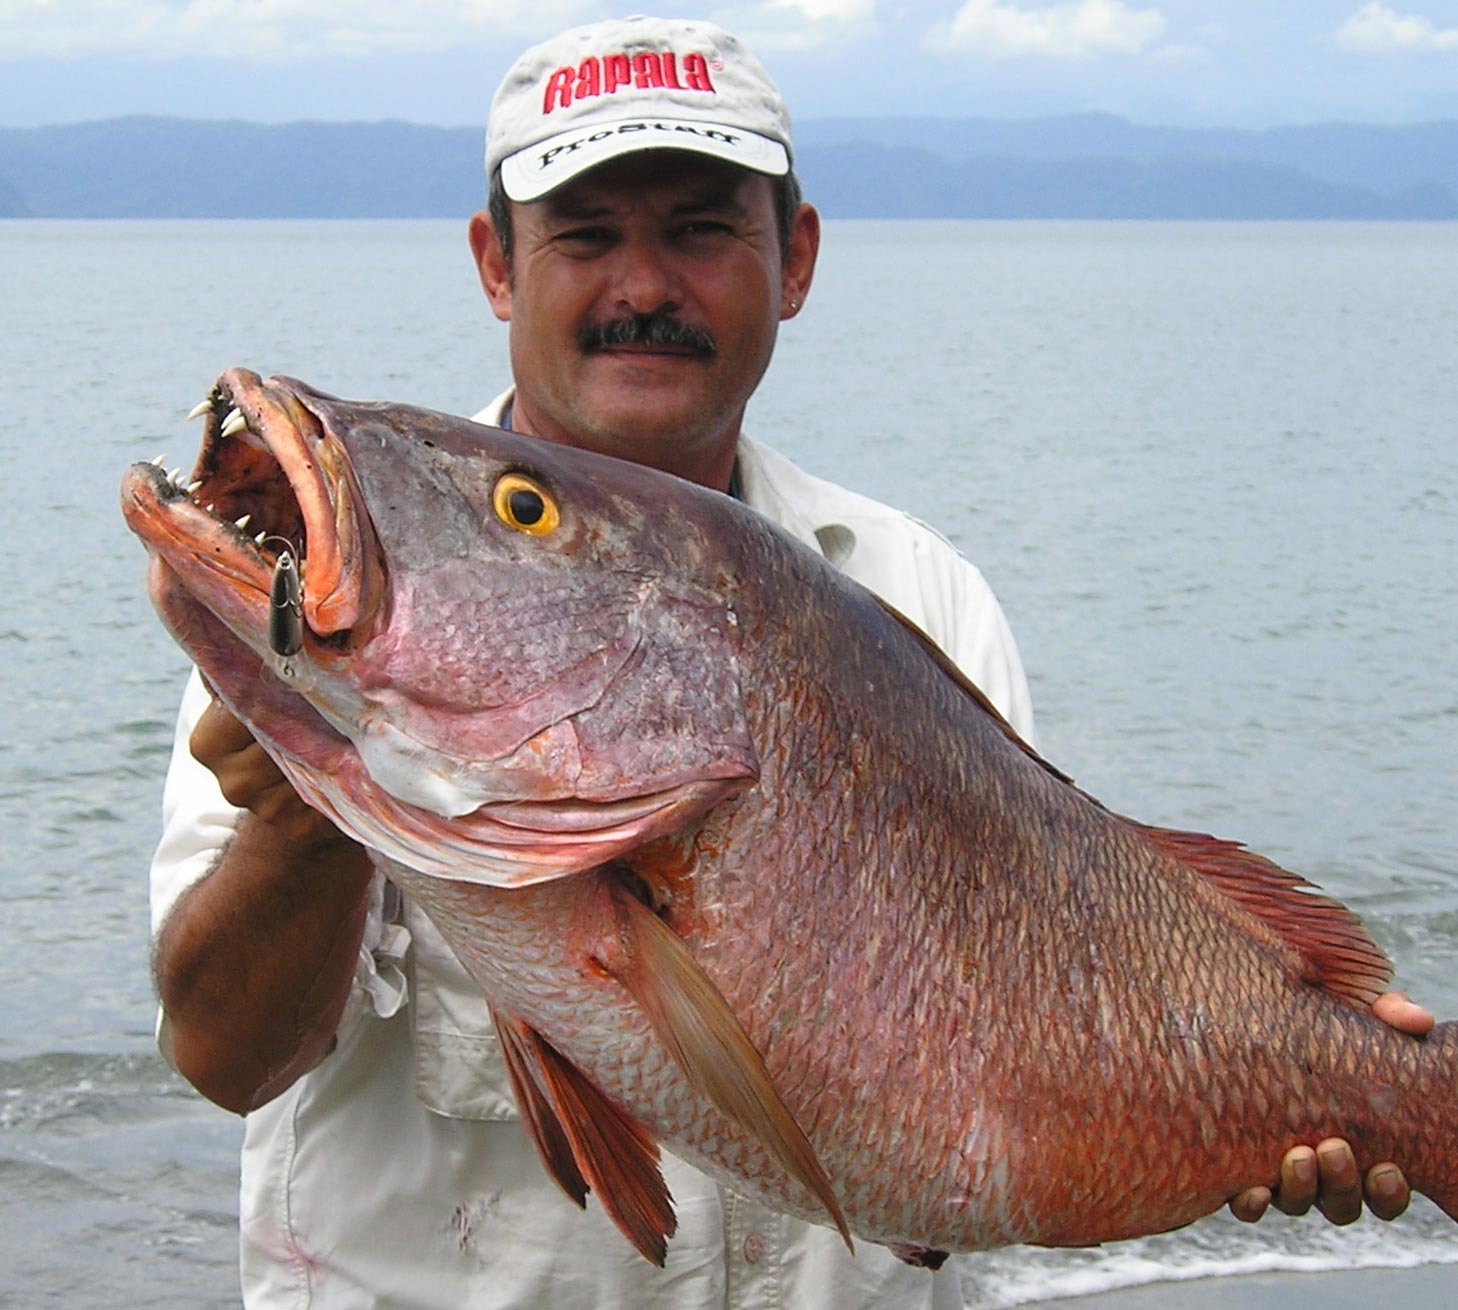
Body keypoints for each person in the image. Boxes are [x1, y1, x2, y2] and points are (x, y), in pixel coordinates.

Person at [149, 15, 1434, 1309]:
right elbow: (224, 1055)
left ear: (795, 257)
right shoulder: (321, 616)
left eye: (700, 230)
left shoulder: (920, 591)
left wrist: (1318, 1083)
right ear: (496, 264)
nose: (640, 284)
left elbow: (1033, 1030)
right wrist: (295, 828)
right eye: (584, 235)